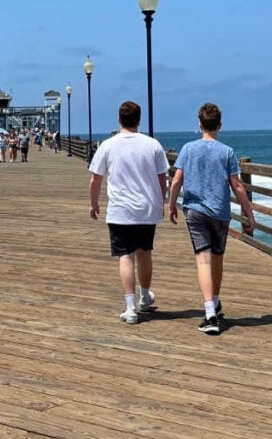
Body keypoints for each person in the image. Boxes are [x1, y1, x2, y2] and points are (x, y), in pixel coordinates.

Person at [167, 102, 256, 335]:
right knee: (217, 259)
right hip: (220, 212)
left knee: (203, 260)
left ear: (200, 125)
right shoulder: (227, 152)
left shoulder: (188, 149)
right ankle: (214, 302)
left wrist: (171, 205)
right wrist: (249, 213)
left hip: (195, 211)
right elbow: (237, 186)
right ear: (219, 125)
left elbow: (176, 181)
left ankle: (210, 314)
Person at [88, 101, 169, 325]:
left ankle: (131, 308)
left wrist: (93, 204)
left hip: (120, 211)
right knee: (144, 253)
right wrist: (161, 201)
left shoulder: (108, 145)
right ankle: (145, 296)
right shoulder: (153, 145)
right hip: (147, 209)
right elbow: (163, 178)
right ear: (139, 120)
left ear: (119, 119)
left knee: (125, 256)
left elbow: (95, 179)